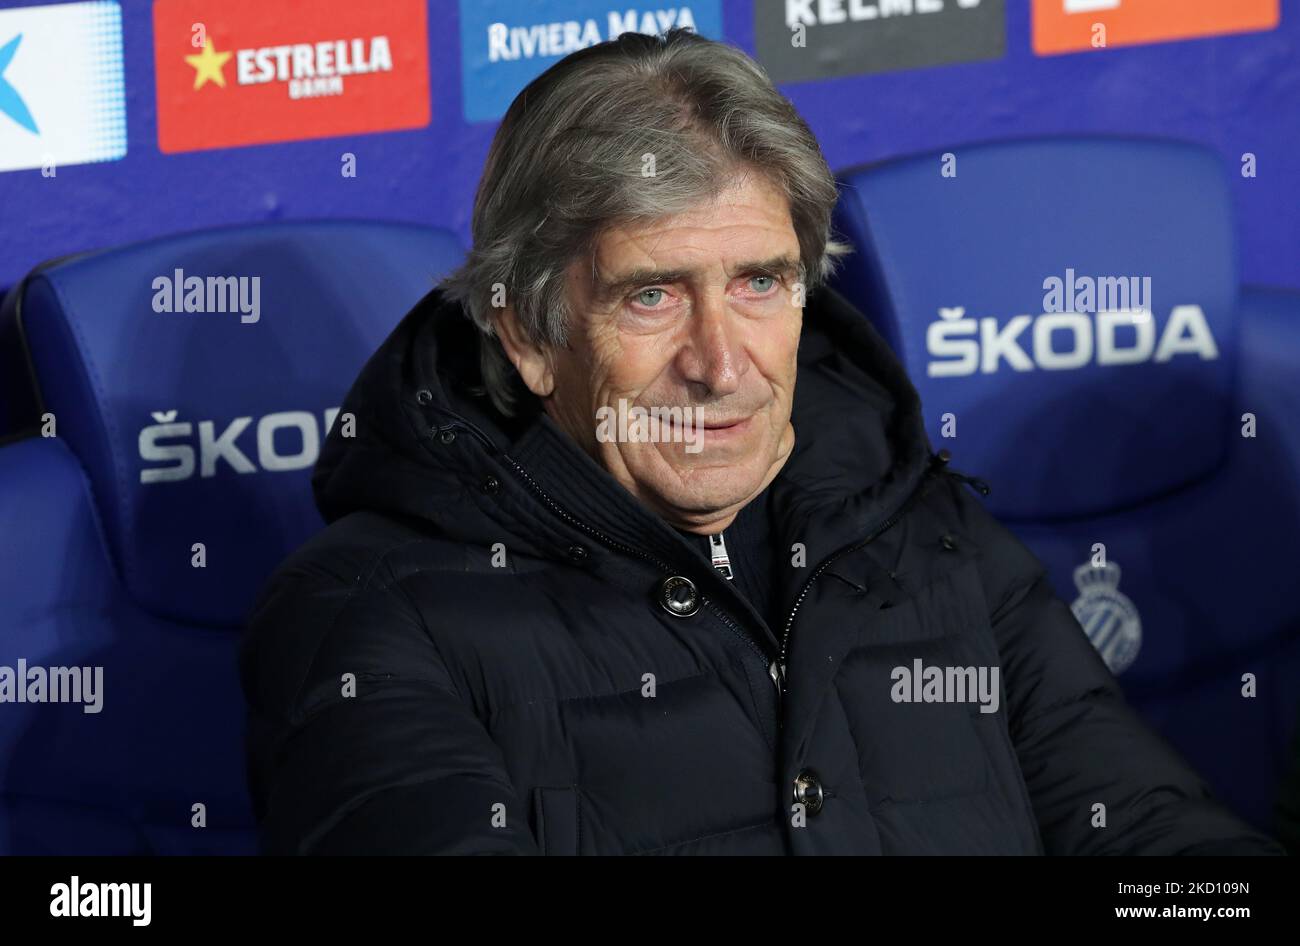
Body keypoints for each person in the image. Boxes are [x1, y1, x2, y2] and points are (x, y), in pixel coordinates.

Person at [239, 28, 1282, 855]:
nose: (723, 362)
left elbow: (1143, 829)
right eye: (651, 296)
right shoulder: (364, 619)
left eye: (760, 282)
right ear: (527, 333)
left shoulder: (916, 524)